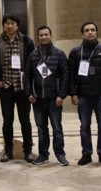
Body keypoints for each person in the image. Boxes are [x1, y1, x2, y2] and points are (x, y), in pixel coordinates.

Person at [68, 21, 101, 166]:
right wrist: (73, 93)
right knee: (84, 126)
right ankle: (86, 154)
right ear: (82, 34)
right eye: (87, 30)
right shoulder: (76, 52)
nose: (90, 32)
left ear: (97, 32)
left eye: (93, 30)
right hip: (83, 96)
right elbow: (71, 75)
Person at [0, 13, 36, 163]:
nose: (9, 26)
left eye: (12, 23)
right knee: (7, 120)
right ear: (3, 25)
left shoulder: (27, 41)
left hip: (22, 87)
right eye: (7, 23)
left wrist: (30, 84)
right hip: (6, 87)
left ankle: (28, 150)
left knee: (25, 120)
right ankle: (8, 150)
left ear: (17, 25)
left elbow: (33, 63)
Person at [24, 25, 69, 166]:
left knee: (57, 128)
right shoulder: (33, 55)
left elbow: (65, 76)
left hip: (54, 99)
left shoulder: (59, 54)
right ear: (38, 37)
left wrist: (61, 95)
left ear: (51, 36)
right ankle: (43, 154)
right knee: (41, 129)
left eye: (46, 34)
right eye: (41, 35)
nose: (44, 37)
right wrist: (29, 93)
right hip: (38, 100)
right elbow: (27, 76)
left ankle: (60, 154)